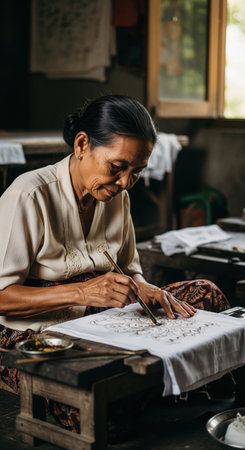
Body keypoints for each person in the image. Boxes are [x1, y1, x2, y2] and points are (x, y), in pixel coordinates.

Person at [0, 95, 230, 432]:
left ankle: (159, 397)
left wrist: (142, 285)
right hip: (35, 334)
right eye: (117, 167)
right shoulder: (29, 195)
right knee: (89, 392)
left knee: (204, 294)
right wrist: (80, 293)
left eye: (136, 172)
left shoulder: (117, 197)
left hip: (101, 318)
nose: (125, 182)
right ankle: (171, 396)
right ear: (82, 144)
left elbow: (129, 268)